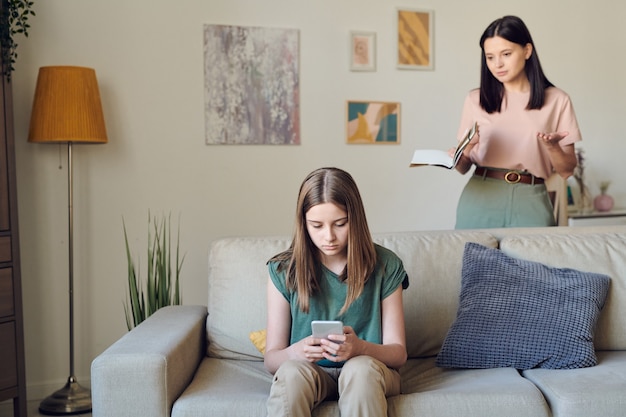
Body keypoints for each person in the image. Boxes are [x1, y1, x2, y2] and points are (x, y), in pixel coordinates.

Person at [264, 167, 409, 417]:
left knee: (360, 371)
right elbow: (272, 360)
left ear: (356, 219)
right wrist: (296, 352)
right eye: (317, 225)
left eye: (340, 224)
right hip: (311, 372)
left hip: (369, 371)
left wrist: (360, 348)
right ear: (303, 223)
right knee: (289, 373)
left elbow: (398, 353)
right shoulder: (283, 270)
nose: (328, 236)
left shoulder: (387, 265)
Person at [453, 15, 581, 229]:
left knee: (535, 263)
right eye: (490, 57)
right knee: (472, 263)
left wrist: (552, 147)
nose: (497, 64)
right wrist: (465, 150)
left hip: (531, 198)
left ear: (527, 51)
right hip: (480, 196)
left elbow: (567, 170)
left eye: (506, 54)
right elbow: (462, 167)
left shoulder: (558, 100)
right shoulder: (475, 99)